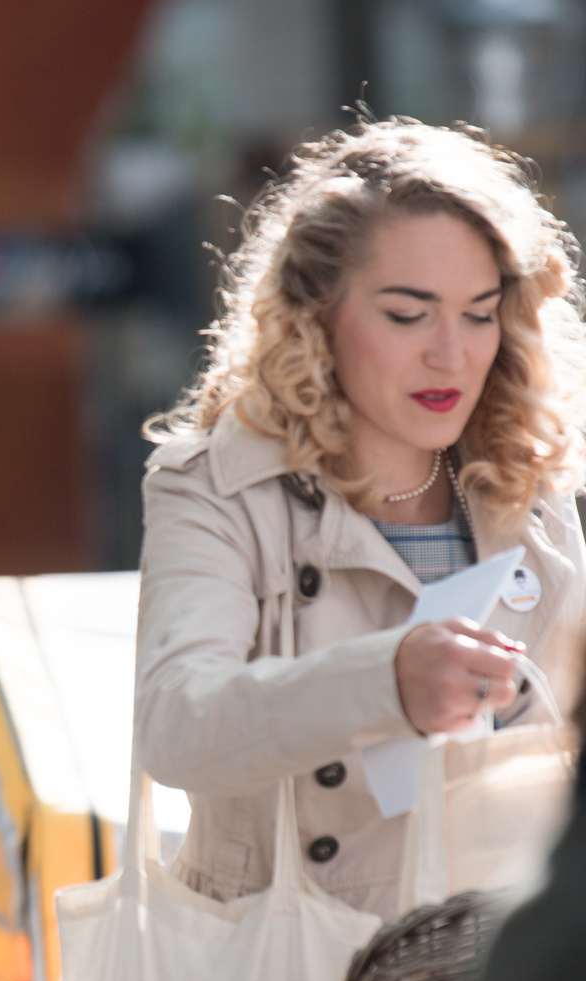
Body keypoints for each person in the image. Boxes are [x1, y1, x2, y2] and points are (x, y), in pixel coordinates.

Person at [135, 118, 586, 920]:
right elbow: (176, 724)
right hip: (292, 965)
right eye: (409, 314)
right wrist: (388, 682)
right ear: (316, 311)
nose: (451, 354)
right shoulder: (218, 486)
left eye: (480, 313)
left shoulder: (530, 479)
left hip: (491, 963)